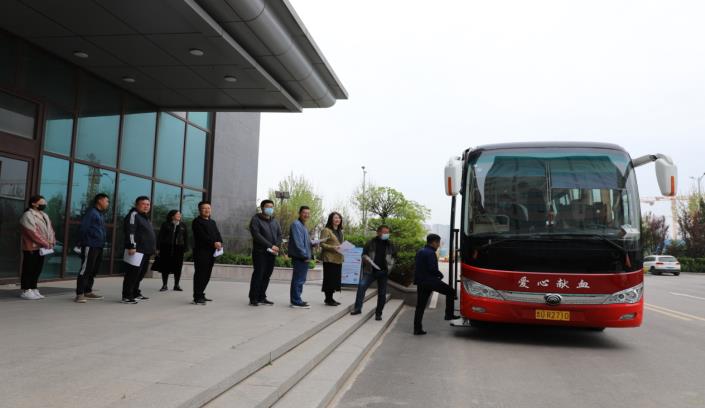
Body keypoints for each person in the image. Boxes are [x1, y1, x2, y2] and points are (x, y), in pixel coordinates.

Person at [413, 234, 459, 335]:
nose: (439, 245)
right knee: (451, 291)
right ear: (434, 242)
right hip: (431, 281)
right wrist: (440, 274)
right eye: (438, 243)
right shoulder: (431, 253)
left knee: (420, 306)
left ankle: (417, 329)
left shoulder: (420, 251)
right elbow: (432, 269)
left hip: (421, 282)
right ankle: (449, 315)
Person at [351, 225, 397, 320]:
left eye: (387, 232)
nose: (386, 234)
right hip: (370, 271)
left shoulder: (390, 244)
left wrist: (389, 268)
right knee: (361, 286)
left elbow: (394, 257)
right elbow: (363, 254)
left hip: (383, 272)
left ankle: (378, 313)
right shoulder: (370, 243)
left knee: (382, 294)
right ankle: (357, 308)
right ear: (378, 232)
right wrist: (365, 258)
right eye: (384, 232)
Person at [18, 195, 55, 300]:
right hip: (31, 247)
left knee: (37, 269)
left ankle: (33, 288)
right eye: (42, 202)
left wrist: (52, 241)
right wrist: (46, 243)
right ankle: (26, 290)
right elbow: (33, 233)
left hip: (42, 248)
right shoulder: (28, 215)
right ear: (34, 203)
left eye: (45, 202)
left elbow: (50, 229)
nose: (44, 204)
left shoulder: (44, 215)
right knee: (28, 269)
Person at [75, 193, 110, 303]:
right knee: (86, 269)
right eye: (106, 201)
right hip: (90, 245)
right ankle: (80, 294)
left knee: (93, 270)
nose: (107, 203)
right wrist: (80, 242)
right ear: (99, 200)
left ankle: (88, 291)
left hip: (99, 245)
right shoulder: (91, 212)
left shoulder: (100, 214)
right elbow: (83, 228)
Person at [121, 196, 156, 304]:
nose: (146, 206)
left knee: (140, 274)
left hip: (145, 250)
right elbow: (130, 231)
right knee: (132, 274)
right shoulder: (133, 215)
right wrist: (131, 246)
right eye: (143, 204)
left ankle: (135, 293)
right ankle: (127, 296)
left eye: (148, 204)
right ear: (137, 205)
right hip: (136, 250)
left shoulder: (144, 217)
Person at [248, 199, 282, 306]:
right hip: (260, 252)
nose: (270, 209)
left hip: (271, 253)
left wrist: (276, 245)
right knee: (258, 274)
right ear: (262, 208)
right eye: (268, 207)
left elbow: (279, 235)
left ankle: (262, 297)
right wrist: (270, 245)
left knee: (267, 275)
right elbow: (256, 235)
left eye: (272, 207)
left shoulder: (274, 221)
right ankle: (253, 298)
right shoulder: (256, 219)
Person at [192, 200, 223, 305]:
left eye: (208, 208)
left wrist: (220, 242)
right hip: (201, 252)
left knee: (207, 274)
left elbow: (217, 233)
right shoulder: (197, 222)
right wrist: (214, 243)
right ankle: (197, 297)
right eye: (204, 208)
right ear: (200, 210)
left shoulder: (212, 222)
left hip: (212, 252)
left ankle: (201, 294)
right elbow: (202, 236)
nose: (207, 210)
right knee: (200, 274)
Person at [288, 206, 314, 309]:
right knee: (298, 280)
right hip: (300, 257)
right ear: (299, 213)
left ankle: (297, 299)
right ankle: (295, 301)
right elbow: (298, 243)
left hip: (303, 257)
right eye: (304, 213)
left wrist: (313, 243)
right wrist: (305, 255)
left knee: (300, 280)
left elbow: (305, 242)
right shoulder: (296, 224)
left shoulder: (303, 226)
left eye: (308, 213)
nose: (306, 215)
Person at [156, 210, 189, 292]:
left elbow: (186, 237)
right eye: (177, 214)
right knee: (165, 267)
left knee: (178, 267)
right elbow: (160, 236)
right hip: (166, 248)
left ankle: (176, 285)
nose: (179, 215)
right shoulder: (165, 224)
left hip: (179, 248)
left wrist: (185, 248)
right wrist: (158, 248)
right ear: (172, 216)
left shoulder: (183, 225)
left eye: (180, 214)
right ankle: (164, 285)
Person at [319, 212, 344, 306]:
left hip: (338, 258)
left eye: (339, 218)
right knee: (329, 279)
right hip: (329, 258)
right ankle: (328, 299)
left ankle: (331, 298)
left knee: (335, 280)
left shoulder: (340, 231)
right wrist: (333, 248)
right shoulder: (326, 230)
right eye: (335, 218)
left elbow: (339, 244)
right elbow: (322, 244)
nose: (338, 219)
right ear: (331, 219)